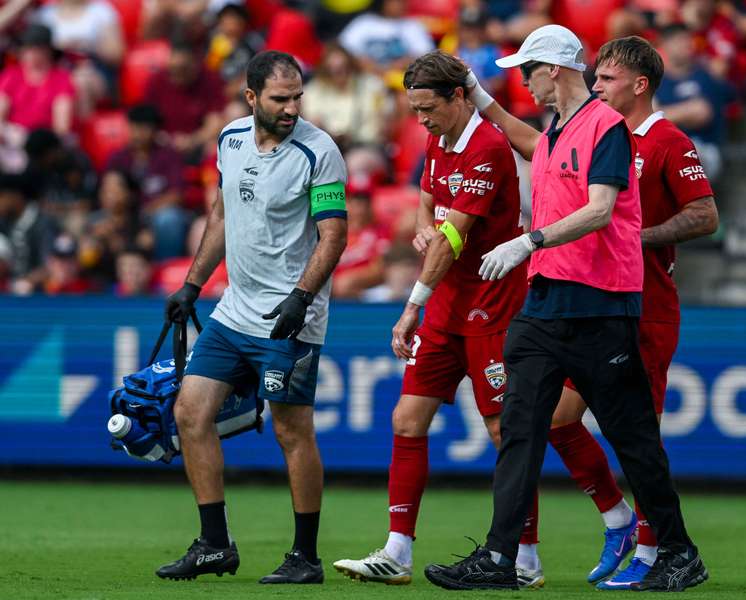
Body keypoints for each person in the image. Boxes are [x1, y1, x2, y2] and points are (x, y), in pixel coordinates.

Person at [424, 25, 706, 592]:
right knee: (520, 428)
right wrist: (475, 91)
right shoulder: (559, 130)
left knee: (632, 438)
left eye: (527, 70)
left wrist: (528, 241)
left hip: (601, 305)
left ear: (553, 70)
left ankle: (678, 550)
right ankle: (502, 557)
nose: (522, 82)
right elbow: (520, 137)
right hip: (548, 302)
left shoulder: (604, 127)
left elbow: (600, 210)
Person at [332, 50, 546, 588]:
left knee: (503, 432)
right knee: (407, 420)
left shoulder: (489, 148)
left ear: (458, 97)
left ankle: (525, 557)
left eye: (428, 107)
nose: (421, 119)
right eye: (414, 110)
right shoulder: (438, 137)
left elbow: (456, 235)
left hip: (492, 304)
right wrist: (424, 225)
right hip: (448, 304)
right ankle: (397, 551)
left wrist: (410, 305)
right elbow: (430, 207)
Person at [155, 50, 348, 585]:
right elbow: (222, 215)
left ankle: (305, 558)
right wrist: (193, 284)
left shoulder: (319, 151)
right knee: (190, 414)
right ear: (251, 98)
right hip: (233, 311)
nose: (291, 108)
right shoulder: (230, 139)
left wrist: (301, 297)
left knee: (291, 431)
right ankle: (214, 545)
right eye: (280, 99)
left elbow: (334, 235)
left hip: (290, 318)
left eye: (297, 98)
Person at [552, 35, 719, 590]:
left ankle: (655, 549)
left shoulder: (668, 140)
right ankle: (620, 521)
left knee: (638, 435)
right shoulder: (603, 135)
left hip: (646, 309)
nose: (595, 86)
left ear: (640, 85)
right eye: (594, 77)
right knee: (555, 416)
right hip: (595, 303)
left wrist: (636, 236)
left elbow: (704, 215)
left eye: (606, 78)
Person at [106, 104, 189, 259]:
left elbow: (177, 195)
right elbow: (108, 191)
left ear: (155, 130)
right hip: (126, 217)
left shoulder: (169, 156)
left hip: (155, 217)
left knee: (169, 218)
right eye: (133, 128)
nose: (137, 134)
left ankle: (165, 266)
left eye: (143, 129)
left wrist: (146, 213)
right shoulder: (118, 158)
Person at [655, 23, 734, 181]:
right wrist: (681, 114)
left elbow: (701, 112)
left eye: (687, 40)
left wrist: (659, 116)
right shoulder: (657, 82)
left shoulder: (706, 75)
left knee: (681, 155)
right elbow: (644, 120)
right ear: (665, 45)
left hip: (703, 148)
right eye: (678, 40)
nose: (685, 45)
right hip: (666, 149)